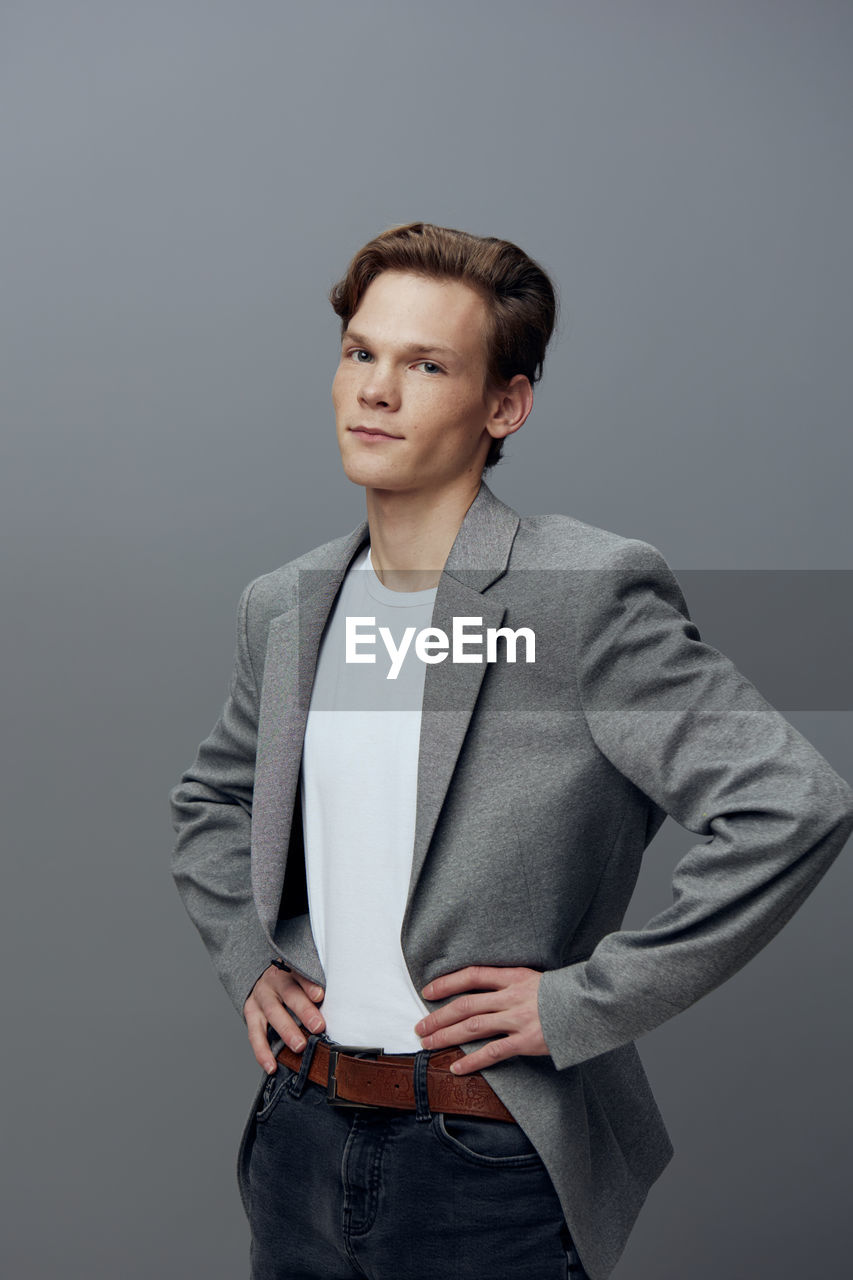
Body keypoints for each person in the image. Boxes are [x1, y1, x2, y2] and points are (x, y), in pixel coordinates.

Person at [170, 221, 853, 1280]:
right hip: (297, 1137)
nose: (376, 390)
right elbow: (211, 797)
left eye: (425, 363)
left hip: (478, 1158)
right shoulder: (287, 604)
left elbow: (790, 804)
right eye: (360, 352)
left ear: (504, 406)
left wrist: (579, 1000)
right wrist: (247, 954)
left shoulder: (576, 595)